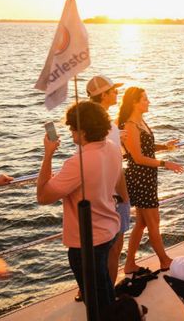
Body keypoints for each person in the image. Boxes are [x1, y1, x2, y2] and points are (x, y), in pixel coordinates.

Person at [36, 101, 122, 313]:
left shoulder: (79, 162)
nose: (71, 132)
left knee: (97, 305)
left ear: (82, 131)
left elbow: (43, 196)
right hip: (109, 228)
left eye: (72, 128)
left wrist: (48, 155)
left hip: (88, 241)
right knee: (106, 293)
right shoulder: (112, 148)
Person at [119, 87, 184, 275]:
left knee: (142, 223)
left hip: (148, 176)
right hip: (140, 176)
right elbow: (138, 157)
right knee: (153, 221)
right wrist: (166, 163)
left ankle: (129, 263)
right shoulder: (130, 124)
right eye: (144, 99)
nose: (148, 102)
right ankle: (164, 261)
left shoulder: (140, 121)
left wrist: (165, 146)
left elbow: (145, 146)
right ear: (134, 102)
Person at [86, 75, 129, 289]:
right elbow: (115, 166)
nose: (116, 93)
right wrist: (124, 197)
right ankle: (109, 296)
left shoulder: (87, 126)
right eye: (113, 91)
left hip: (94, 193)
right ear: (103, 95)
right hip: (113, 195)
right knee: (115, 246)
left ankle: (87, 290)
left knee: (94, 247)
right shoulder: (107, 127)